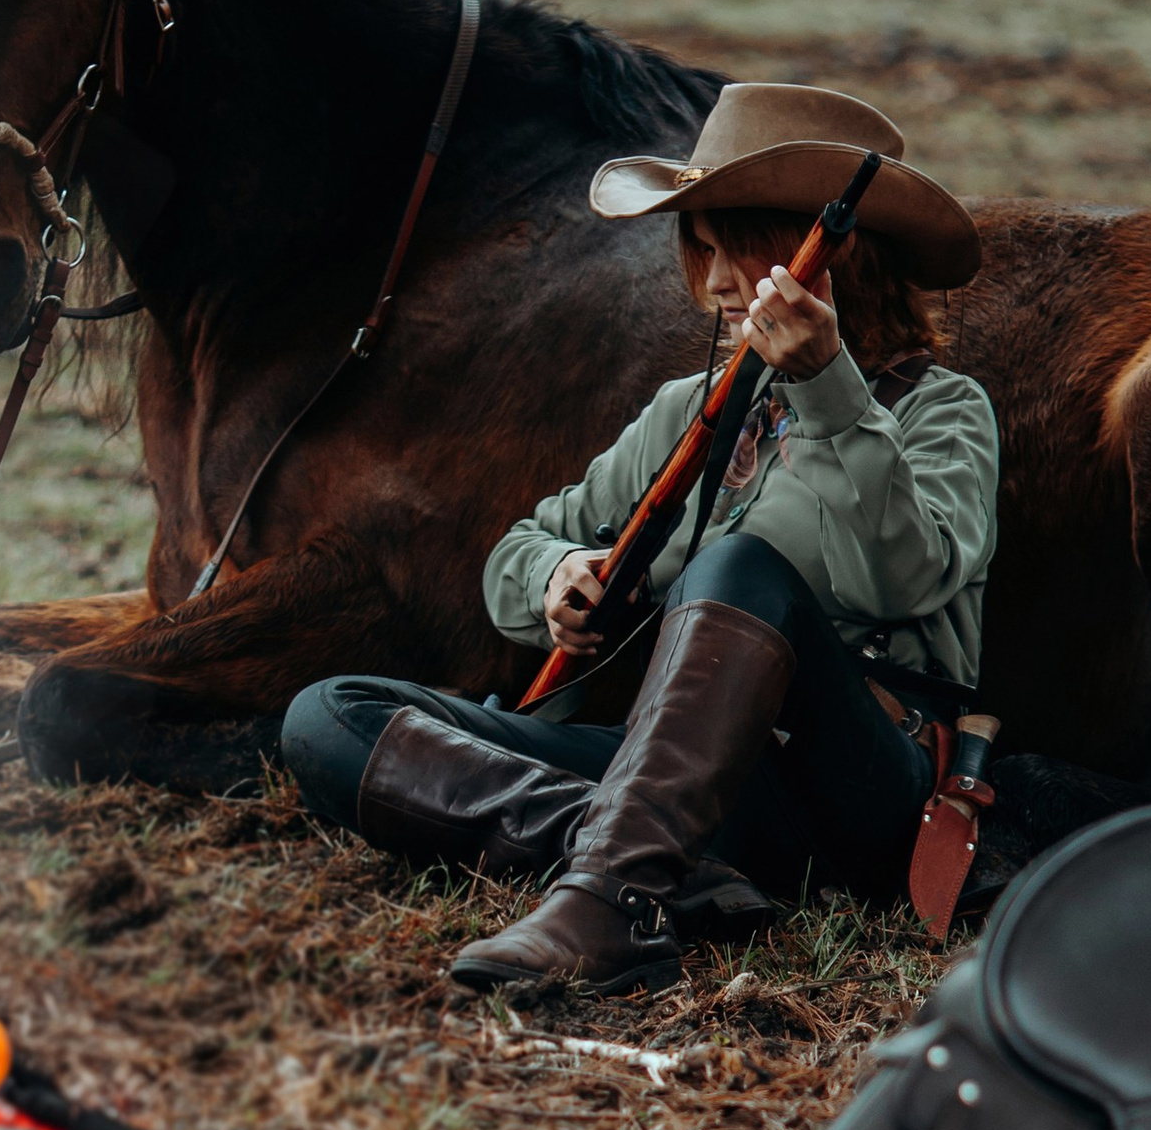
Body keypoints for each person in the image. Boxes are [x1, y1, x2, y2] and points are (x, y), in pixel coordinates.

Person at [280, 81, 999, 995]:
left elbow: (903, 578)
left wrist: (828, 390)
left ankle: (610, 897)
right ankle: (656, 873)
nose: (715, 285)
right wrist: (554, 574)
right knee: (333, 716)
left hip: (851, 787)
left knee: (738, 565)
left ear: (835, 250)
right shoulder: (687, 412)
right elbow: (525, 544)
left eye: (737, 246)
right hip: (674, 789)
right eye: (700, 252)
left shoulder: (945, 412)